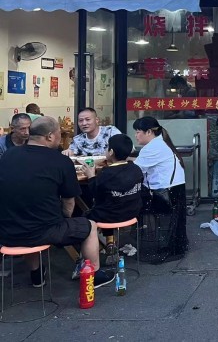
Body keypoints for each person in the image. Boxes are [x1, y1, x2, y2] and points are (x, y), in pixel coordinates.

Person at [0, 117, 114, 288]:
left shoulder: (8, 155)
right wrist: (63, 220)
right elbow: (69, 203)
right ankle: (93, 276)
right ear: (50, 136)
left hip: (7, 231)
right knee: (90, 226)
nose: (60, 138)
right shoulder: (61, 161)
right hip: (44, 231)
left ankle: (37, 276)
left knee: (28, 224)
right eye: (59, 133)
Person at [78, 134, 144, 266]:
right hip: (132, 212)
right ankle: (110, 243)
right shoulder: (136, 169)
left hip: (110, 216)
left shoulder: (106, 173)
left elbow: (95, 193)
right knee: (109, 203)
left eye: (107, 147)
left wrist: (91, 176)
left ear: (111, 152)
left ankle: (86, 259)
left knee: (85, 216)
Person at [133, 117, 189, 264]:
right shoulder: (159, 143)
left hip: (165, 193)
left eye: (138, 132)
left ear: (149, 132)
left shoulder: (153, 148)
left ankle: (133, 237)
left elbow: (135, 170)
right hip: (173, 190)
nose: (136, 135)